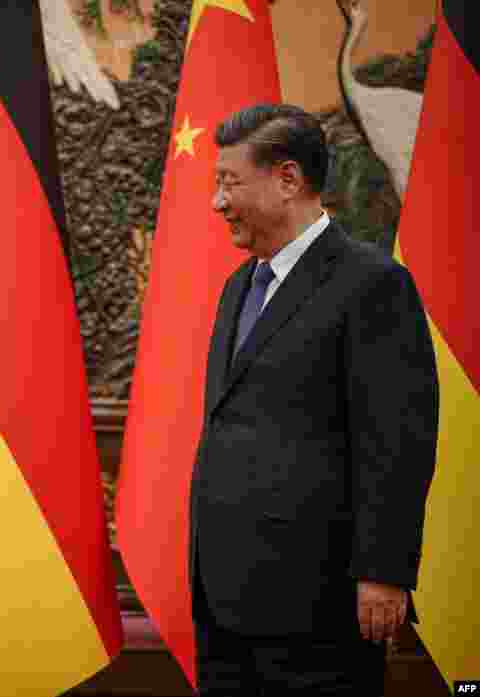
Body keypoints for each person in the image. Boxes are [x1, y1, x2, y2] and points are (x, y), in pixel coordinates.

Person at [189, 104, 438, 695]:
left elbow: (397, 439)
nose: (217, 203)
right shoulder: (239, 284)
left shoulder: (371, 283)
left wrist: (383, 572)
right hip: (223, 602)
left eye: (229, 182)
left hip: (316, 605)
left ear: (288, 180)